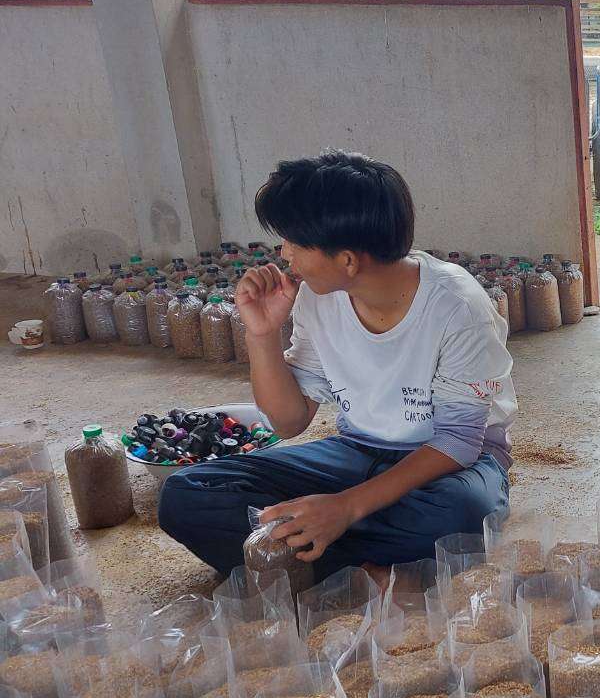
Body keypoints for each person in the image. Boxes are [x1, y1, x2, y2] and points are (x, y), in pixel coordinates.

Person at [158, 151, 515, 586]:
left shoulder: (457, 306)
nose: (283, 253)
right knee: (186, 495)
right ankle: (363, 571)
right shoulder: (317, 295)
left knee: (463, 512)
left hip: (450, 464)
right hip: (357, 452)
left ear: (347, 260)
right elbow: (289, 422)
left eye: (294, 242)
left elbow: (458, 442)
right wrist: (262, 334)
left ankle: (304, 559)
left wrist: (344, 508)